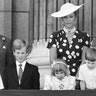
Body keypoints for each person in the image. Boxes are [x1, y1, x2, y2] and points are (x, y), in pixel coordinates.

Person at [47, 2, 91, 76]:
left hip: (79, 75)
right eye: (65, 17)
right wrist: (63, 74)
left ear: (75, 18)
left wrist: (79, 74)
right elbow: (52, 60)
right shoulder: (55, 36)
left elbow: (84, 59)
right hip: (61, 75)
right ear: (62, 20)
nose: (68, 20)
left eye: (71, 17)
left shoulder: (84, 36)